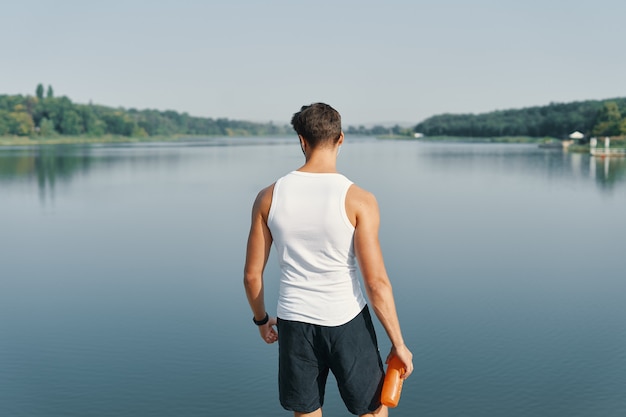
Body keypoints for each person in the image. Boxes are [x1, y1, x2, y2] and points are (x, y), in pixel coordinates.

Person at [244, 103, 413, 417]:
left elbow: (252, 276)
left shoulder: (268, 197)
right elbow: (376, 283)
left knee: (306, 411)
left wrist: (261, 320)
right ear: (341, 139)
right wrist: (398, 343)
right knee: (372, 411)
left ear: (302, 140)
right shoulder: (359, 199)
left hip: (294, 321)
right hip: (347, 319)